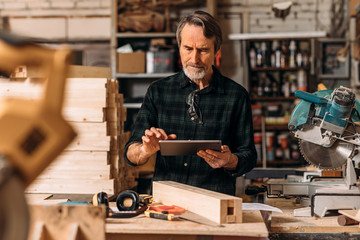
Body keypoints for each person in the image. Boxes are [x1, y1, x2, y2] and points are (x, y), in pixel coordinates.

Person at [124, 10, 256, 195]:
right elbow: (130, 154)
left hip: (216, 201)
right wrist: (145, 150)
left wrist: (230, 160)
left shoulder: (236, 96)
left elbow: (248, 157)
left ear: (216, 51)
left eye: (203, 50)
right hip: (167, 202)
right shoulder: (158, 91)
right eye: (188, 49)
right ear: (179, 48)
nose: (194, 59)